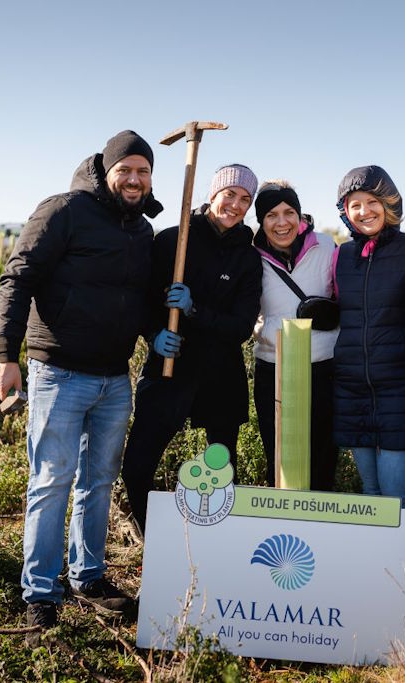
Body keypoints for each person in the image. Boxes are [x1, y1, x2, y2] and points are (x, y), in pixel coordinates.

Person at [0, 130, 162, 640]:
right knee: (51, 482)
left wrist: (159, 325)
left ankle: (87, 577)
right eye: (125, 169)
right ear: (106, 171)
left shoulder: (143, 232)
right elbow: (16, 277)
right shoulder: (64, 210)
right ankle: (41, 593)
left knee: (98, 483)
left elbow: (137, 299)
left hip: (114, 377)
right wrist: (5, 355)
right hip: (58, 374)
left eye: (143, 171)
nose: (134, 179)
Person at [121, 164, 263, 533]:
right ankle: (149, 534)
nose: (235, 204)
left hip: (220, 377)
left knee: (221, 468)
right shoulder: (172, 240)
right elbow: (142, 300)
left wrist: (194, 309)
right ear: (212, 194)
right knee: (138, 463)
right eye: (229, 194)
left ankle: (213, 540)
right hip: (171, 366)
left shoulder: (247, 257)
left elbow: (241, 327)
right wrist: (154, 334)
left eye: (245, 199)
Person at [332, 165, 405, 512]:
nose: (364, 211)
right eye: (354, 204)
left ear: (388, 203)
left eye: (372, 201)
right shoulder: (341, 256)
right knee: (371, 493)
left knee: (396, 493)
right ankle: (384, 566)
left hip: (400, 390)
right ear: (346, 211)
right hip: (353, 390)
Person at [252, 181, 339, 491]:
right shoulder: (252, 256)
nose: (282, 222)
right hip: (273, 367)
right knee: (279, 458)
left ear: (300, 216)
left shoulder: (326, 246)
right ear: (261, 221)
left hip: (322, 366)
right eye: (271, 215)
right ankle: (283, 533)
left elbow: (345, 298)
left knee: (324, 456)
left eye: (289, 212)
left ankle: (321, 533)